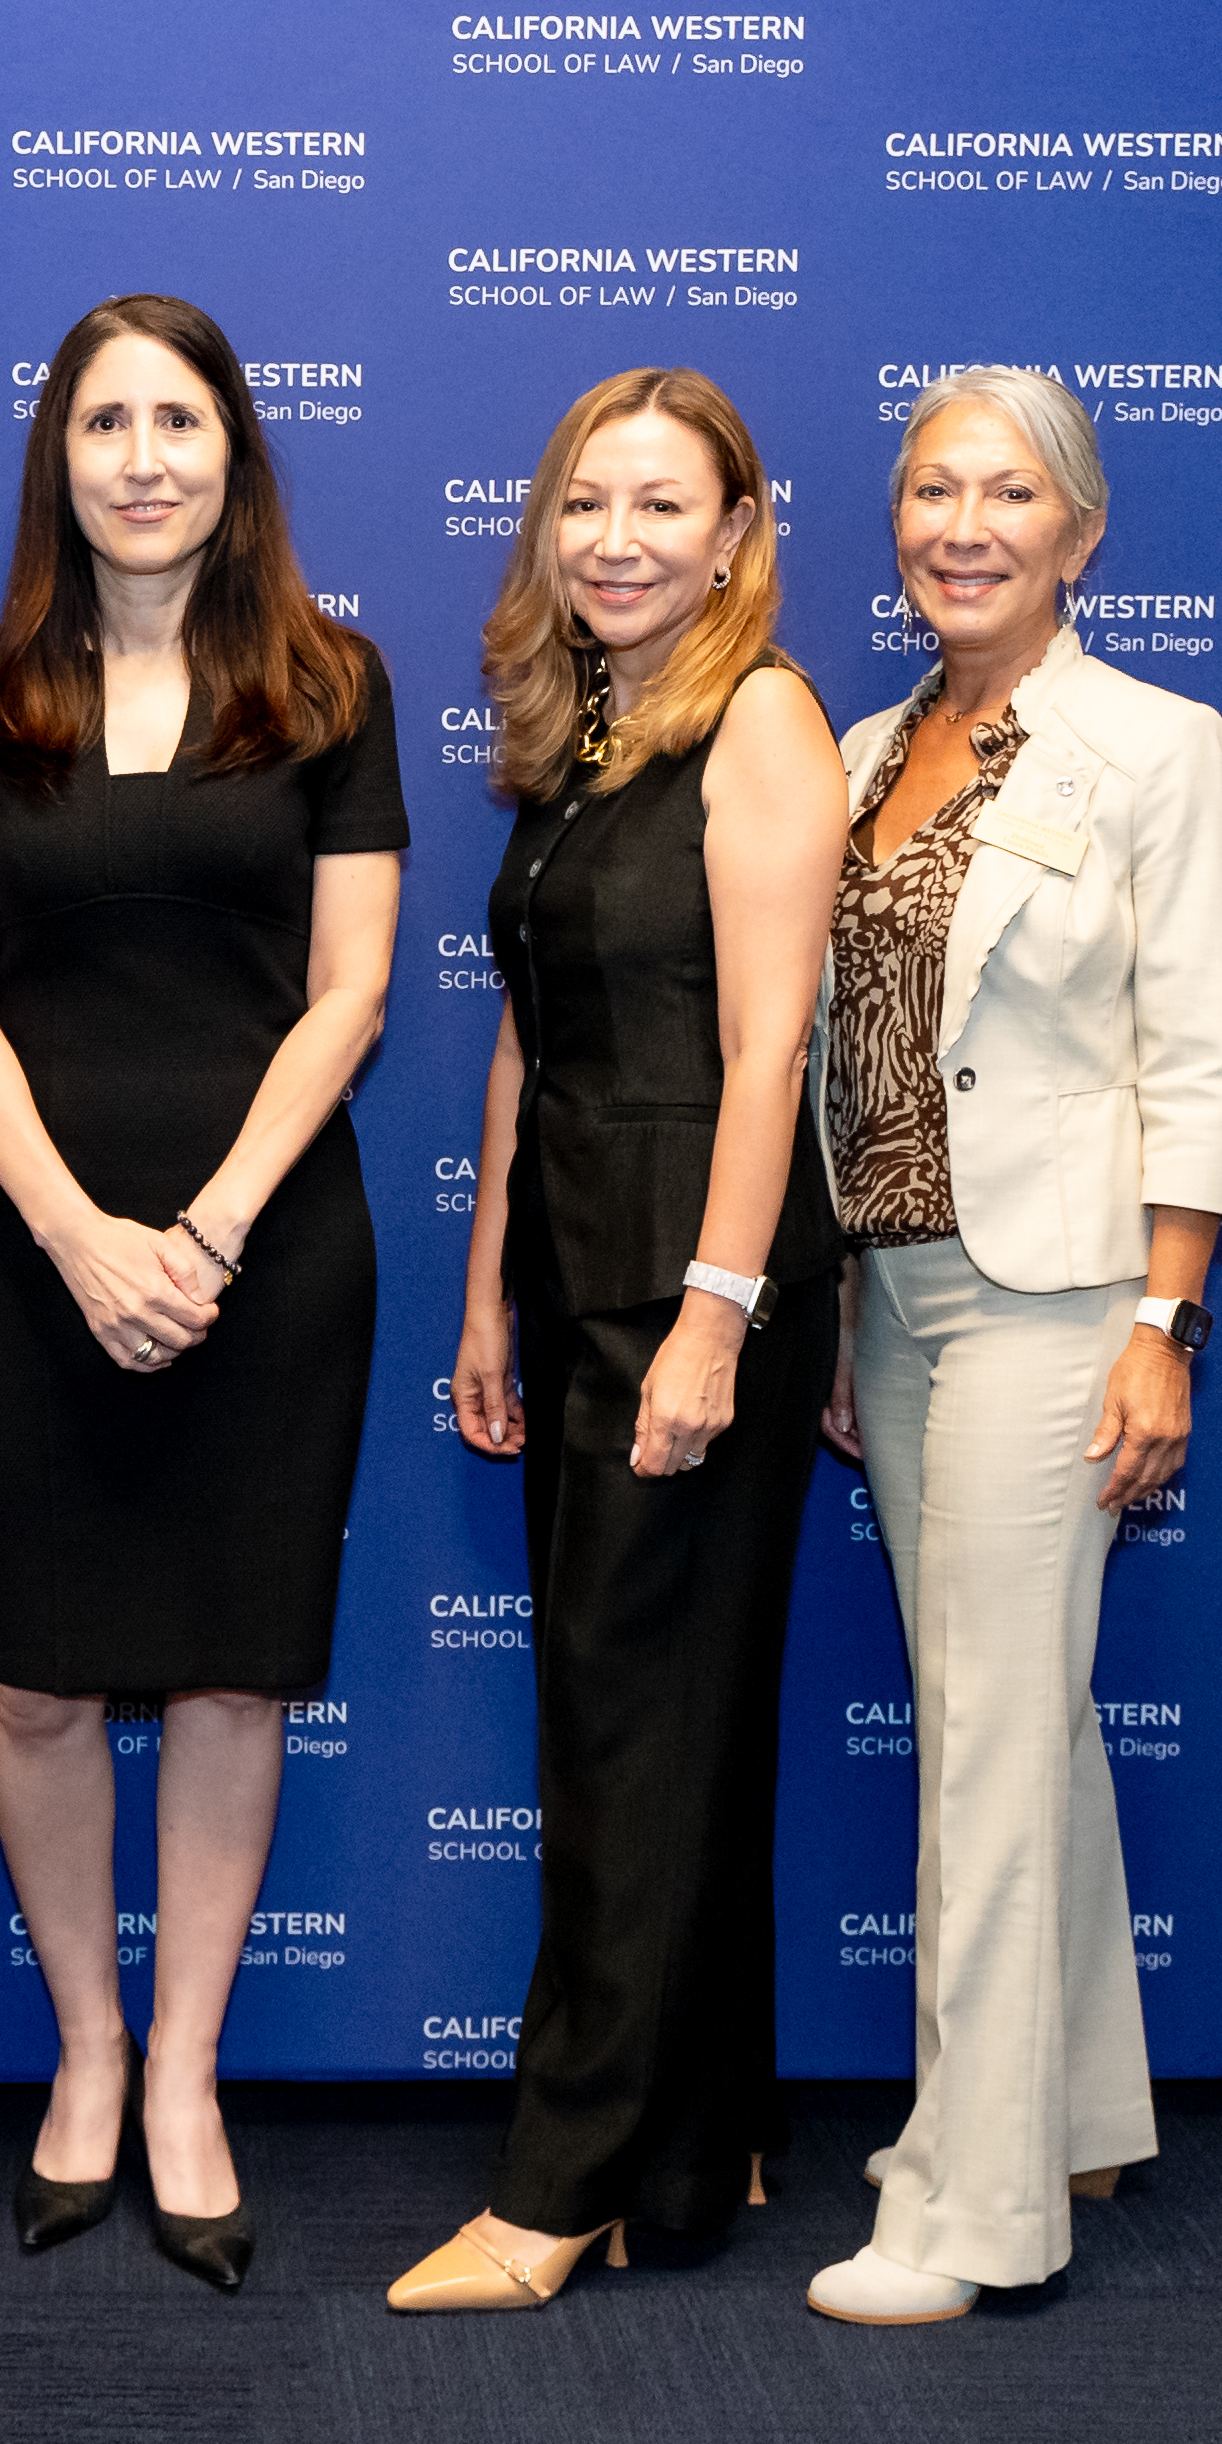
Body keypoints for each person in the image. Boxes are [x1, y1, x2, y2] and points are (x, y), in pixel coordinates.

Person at [0, 293, 407, 2292]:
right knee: (33, 1676)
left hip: (265, 1253)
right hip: (33, 1251)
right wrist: (73, 1232)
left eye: (175, 419)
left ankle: (186, 2067)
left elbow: (348, 987)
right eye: (103, 419)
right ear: (59, 455)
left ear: (233, 451)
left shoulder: (323, 680)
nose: (139, 454)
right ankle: (86, 2049)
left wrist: (195, 1235)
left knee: (223, 1668)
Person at [384, 369, 849, 2313]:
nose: (616, 540)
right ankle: (692, 2138)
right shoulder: (578, 725)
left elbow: (768, 1047)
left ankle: (559, 2180)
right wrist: (488, 1281)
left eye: (661, 506)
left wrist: (711, 1319)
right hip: (574, 1252)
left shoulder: (759, 718)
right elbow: (528, 1028)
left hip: (694, 1267)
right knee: (670, 1721)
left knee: (624, 1732)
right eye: (585, 504)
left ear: (735, 529)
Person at [802, 366, 1222, 2326]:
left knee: (982, 1739)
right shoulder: (849, 745)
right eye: (927, 489)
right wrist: (835, 1307)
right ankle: (1068, 2105)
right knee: (1014, 1716)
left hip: (1058, 1297)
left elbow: (1198, 1059)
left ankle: (971, 2207)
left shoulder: (1154, 747)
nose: (959, 524)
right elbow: (847, 1056)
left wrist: (1165, 1319)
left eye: (1005, 493)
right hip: (893, 1300)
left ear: (1078, 530)